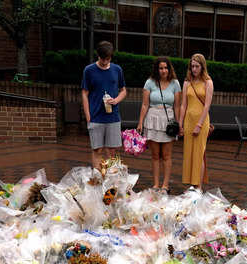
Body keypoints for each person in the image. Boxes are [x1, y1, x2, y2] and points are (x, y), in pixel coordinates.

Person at [137, 57, 182, 191]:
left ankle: (165, 185)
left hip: (168, 121)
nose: (163, 70)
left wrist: (179, 124)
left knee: (167, 155)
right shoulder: (149, 82)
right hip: (152, 120)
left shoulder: (175, 83)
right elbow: (145, 104)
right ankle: (156, 184)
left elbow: (177, 106)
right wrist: (140, 122)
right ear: (157, 69)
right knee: (155, 156)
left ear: (169, 69)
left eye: (166, 68)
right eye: (161, 68)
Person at [81, 41, 127, 172]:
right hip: (95, 117)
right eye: (103, 59)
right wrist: (88, 116)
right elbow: (84, 93)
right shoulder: (89, 70)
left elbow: (123, 90)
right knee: (97, 149)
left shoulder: (117, 69)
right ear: (98, 56)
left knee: (112, 151)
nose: (106, 62)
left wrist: (117, 100)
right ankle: (97, 178)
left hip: (113, 117)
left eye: (108, 59)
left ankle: (110, 181)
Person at [179, 53, 213, 189]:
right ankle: (191, 185)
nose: (194, 69)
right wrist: (180, 124)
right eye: (192, 66)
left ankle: (198, 187)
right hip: (188, 121)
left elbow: (207, 105)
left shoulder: (208, 82)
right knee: (189, 153)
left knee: (199, 153)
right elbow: (183, 105)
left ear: (202, 66)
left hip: (201, 121)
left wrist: (199, 124)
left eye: (197, 66)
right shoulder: (187, 82)